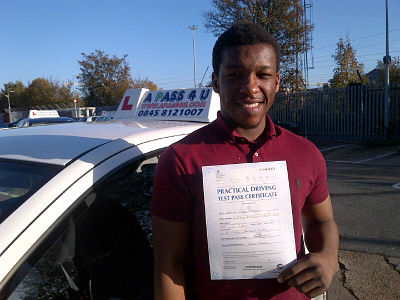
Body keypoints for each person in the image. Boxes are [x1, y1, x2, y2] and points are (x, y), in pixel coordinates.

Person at [151, 22, 339, 300]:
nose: (250, 87)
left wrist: (328, 259)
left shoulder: (306, 153)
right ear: (216, 82)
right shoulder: (180, 159)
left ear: (276, 82)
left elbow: (322, 222)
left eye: (262, 75)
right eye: (235, 74)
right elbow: (169, 265)